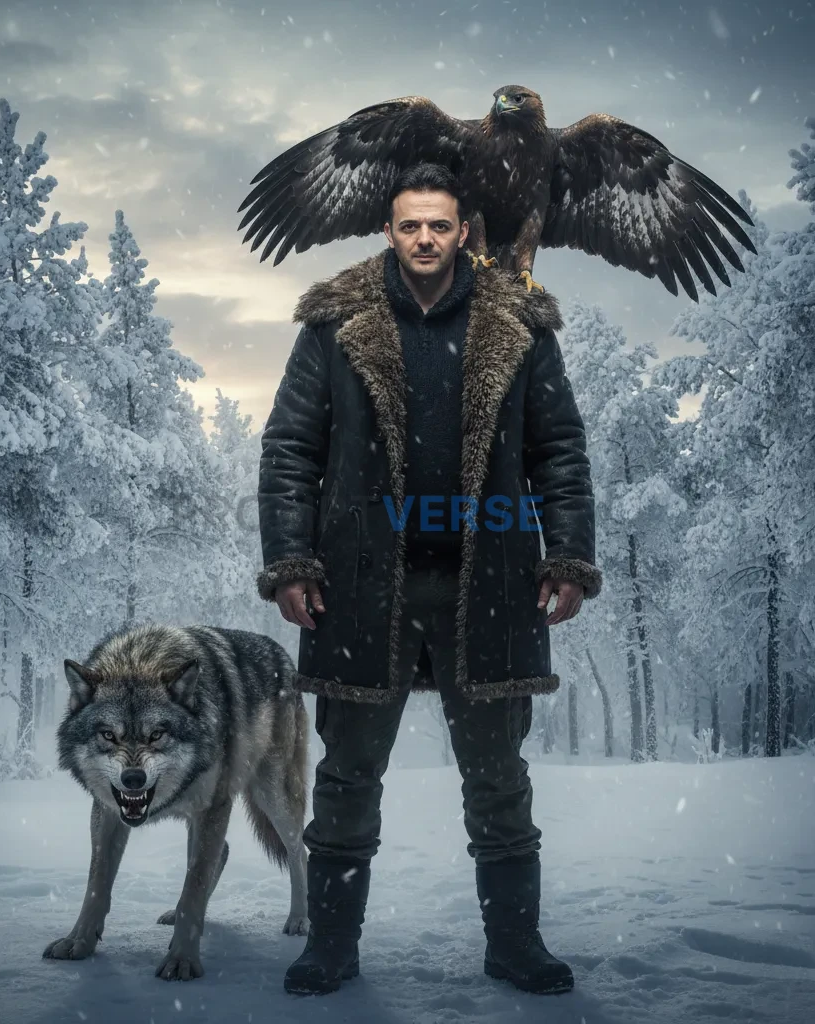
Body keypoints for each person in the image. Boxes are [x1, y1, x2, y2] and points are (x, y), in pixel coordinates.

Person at [255, 161, 602, 998]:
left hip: (486, 581)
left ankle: (515, 947)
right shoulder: (334, 324)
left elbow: (559, 449)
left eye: (438, 225)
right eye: (409, 224)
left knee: (498, 780)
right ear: (387, 230)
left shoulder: (518, 324)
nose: (423, 238)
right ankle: (330, 948)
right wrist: (291, 562)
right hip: (362, 583)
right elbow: (290, 450)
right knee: (345, 778)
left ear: (462, 233)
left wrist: (567, 555)